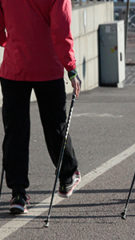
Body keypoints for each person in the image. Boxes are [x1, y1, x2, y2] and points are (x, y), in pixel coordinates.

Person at [0, 0, 81, 214]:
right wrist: (71, 68)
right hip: (48, 66)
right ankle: (67, 174)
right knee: (55, 125)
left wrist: (7, 40)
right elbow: (61, 29)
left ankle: (18, 193)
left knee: (15, 132)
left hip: (14, 66)